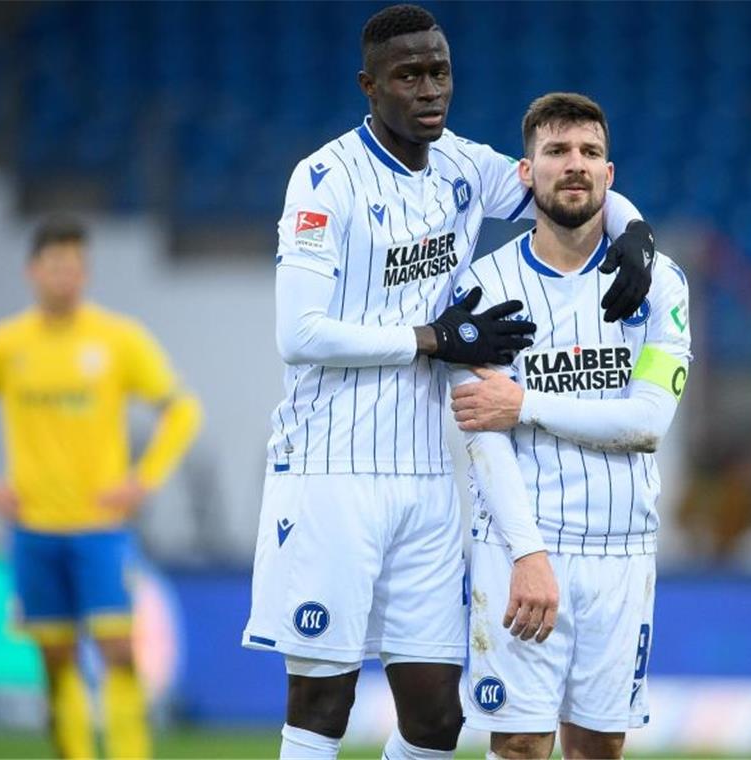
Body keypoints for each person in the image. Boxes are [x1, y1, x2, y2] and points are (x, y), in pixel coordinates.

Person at [239, 5, 659, 759]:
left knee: (437, 716)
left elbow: (564, 180)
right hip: (332, 466)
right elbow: (296, 335)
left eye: (439, 72)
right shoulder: (324, 180)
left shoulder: (465, 168)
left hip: (432, 477)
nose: (429, 89)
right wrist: (431, 339)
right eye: (409, 76)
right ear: (370, 87)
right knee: (323, 700)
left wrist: (633, 231)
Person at [447, 92, 693, 760]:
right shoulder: (480, 287)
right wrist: (528, 555)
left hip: (622, 547)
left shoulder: (660, 284)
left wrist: (525, 402)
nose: (574, 165)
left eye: (589, 152)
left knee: (597, 748)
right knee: (522, 745)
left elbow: (647, 422)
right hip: (521, 542)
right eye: (556, 151)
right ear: (526, 174)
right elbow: (482, 435)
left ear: (610, 177)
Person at [0, 218, 203, 759]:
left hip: (100, 531)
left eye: (75, 267)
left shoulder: (116, 339)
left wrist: (143, 480)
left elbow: (182, 410)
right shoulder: (6, 345)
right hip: (34, 531)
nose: (65, 278)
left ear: (84, 273)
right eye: (55, 266)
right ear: (33, 271)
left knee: (116, 652)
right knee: (55, 663)